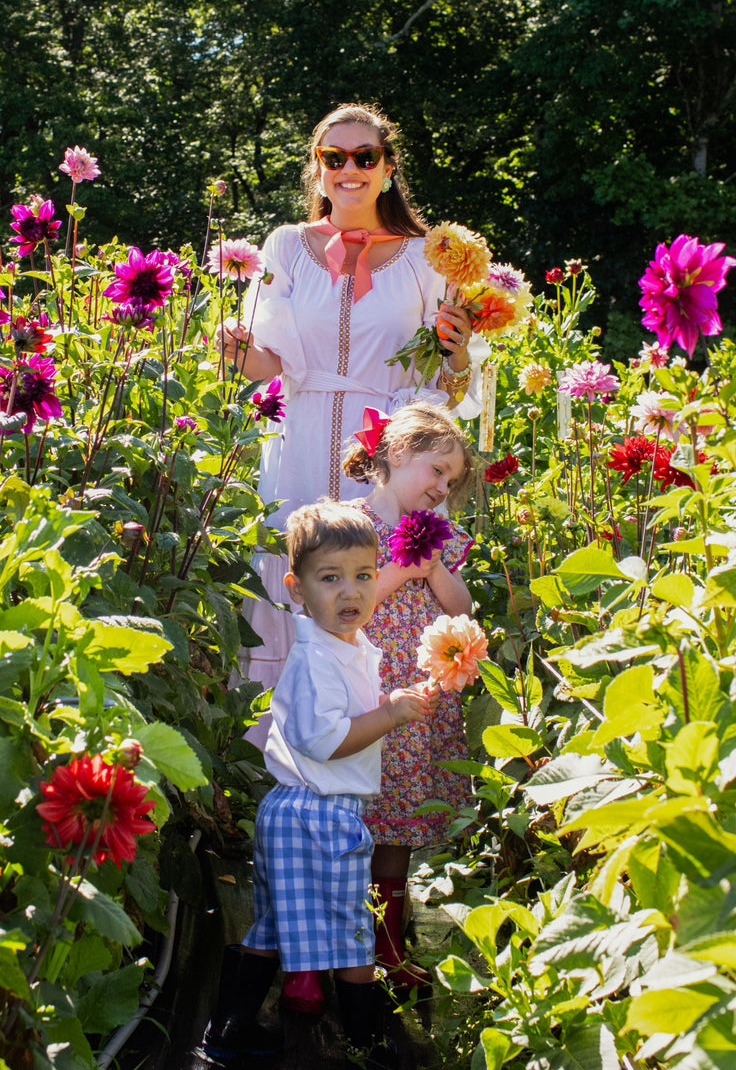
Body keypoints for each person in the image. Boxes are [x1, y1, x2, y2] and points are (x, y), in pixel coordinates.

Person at [221, 102, 484, 728]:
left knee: (391, 588)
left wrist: (459, 352)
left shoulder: (430, 258)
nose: (349, 169)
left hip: (393, 455)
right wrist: (233, 348)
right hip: (303, 440)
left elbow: (445, 388)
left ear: (387, 168)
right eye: (333, 157)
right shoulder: (284, 245)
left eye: (364, 157)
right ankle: (281, 755)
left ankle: (395, 765)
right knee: (297, 578)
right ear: (317, 169)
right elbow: (264, 365)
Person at [200, 501, 435, 1069]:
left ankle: (228, 1029)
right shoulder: (314, 658)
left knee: (281, 921)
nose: (349, 592)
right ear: (296, 588)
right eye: (330, 578)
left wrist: (383, 704)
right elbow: (325, 740)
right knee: (353, 926)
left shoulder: (346, 648)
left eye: (362, 576)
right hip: (317, 811)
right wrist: (391, 715)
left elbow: (341, 719)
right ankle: (367, 1035)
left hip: (307, 810)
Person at [342, 401, 474, 988]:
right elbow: (349, 606)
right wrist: (405, 565)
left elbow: (462, 608)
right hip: (365, 692)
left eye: (452, 480)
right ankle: (338, 945)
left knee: (398, 829)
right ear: (397, 455)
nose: (443, 486)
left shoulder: (446, 538)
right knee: (351, 822)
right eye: (436, 471)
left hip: (416, 699)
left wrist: (436, 568)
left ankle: (388, 949)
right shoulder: (350, 526)